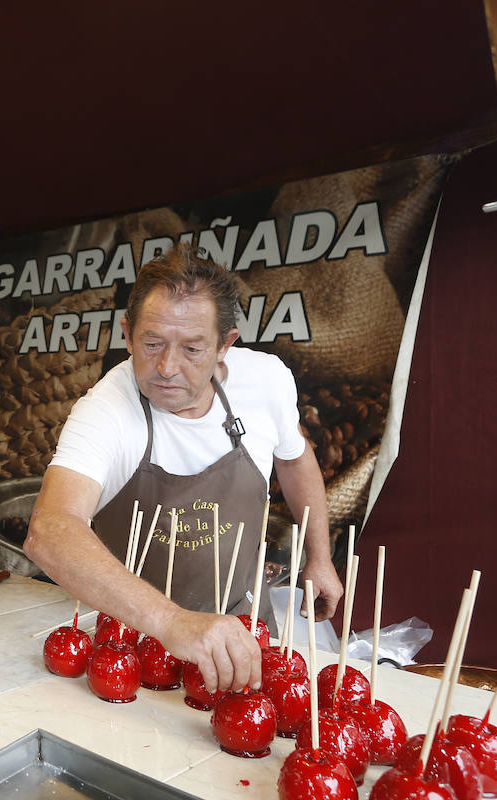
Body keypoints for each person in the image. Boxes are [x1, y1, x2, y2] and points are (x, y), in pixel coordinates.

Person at [25, 244, 342, 695]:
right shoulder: (106, 409)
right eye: (151, 344)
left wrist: (320, 556)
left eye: (192, 348)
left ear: (224, 346)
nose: (167, 368)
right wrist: (171, 622)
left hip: (244, 627)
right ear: (128, 333)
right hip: (134, 648)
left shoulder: (265, 381)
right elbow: (50, 530)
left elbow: (295, 459)